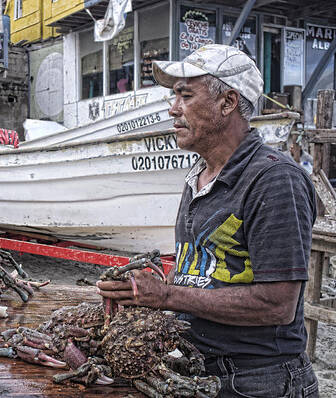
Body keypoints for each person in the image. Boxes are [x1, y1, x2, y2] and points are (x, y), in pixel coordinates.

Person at [96, 44, 319, 397]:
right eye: (174, 97)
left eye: (185, 96)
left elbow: (277, 305)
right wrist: (143, 288)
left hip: (259, 380)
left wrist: (167, 295)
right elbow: (201, 272)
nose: (173, 109)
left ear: (227, 103)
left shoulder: (275, 180)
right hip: (202, 370)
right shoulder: (200, 174)